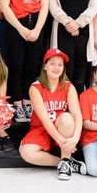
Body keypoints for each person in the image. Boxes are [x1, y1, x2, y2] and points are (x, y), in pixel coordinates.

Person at [0, 0, 49, 122]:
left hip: (36, 24)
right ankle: (17, 104)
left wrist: (37, 29)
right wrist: (20, 29)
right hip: (15, 24)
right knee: (17, 66)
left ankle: (29, 103)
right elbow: (4, 5)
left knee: (31, 66)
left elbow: (44, 6)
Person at [19, 49, 86, 180]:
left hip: (62, 129)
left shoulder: (68, 86)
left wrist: (75, 139)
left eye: (60, 65)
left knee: (67, 118)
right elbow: (44, 119)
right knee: (26, 153)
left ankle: (65, 164)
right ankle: (65, 162)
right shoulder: (35, 88)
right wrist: (64, 143)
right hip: (41, 129)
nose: (56, 68)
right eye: (52, 64)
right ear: (45, 66)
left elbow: (77, 115)